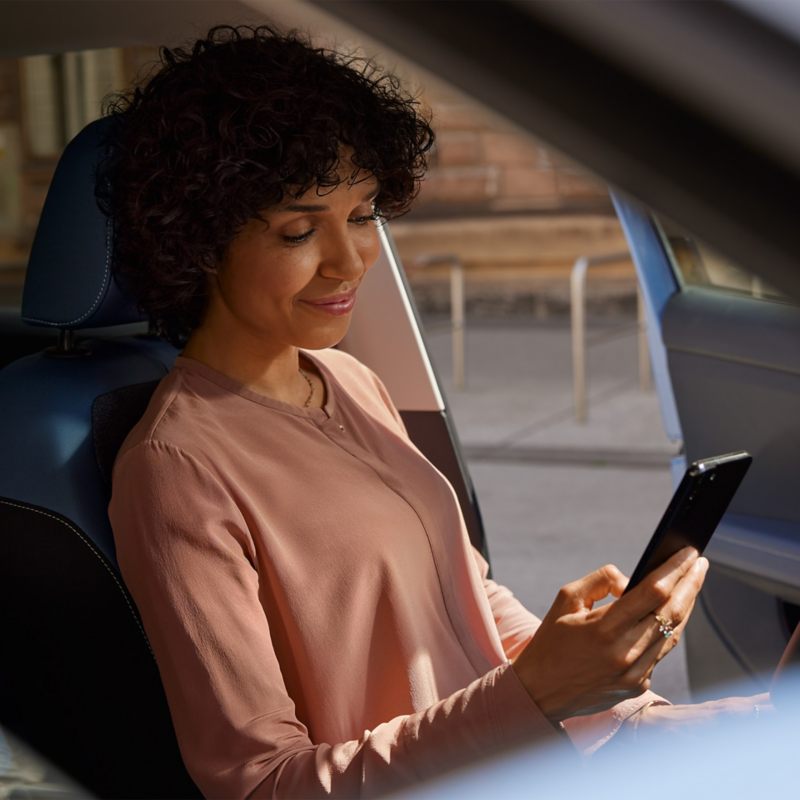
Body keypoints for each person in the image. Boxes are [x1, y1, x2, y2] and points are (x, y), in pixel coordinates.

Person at [103, 25, 768, 799]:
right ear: (201, 239)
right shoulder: (175, 468)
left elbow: (464, 601)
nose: (351, 260)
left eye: (361, 215)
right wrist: (543, 696)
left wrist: (611, 691)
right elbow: (260, 785)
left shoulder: (350, 380)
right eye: (298, 229)